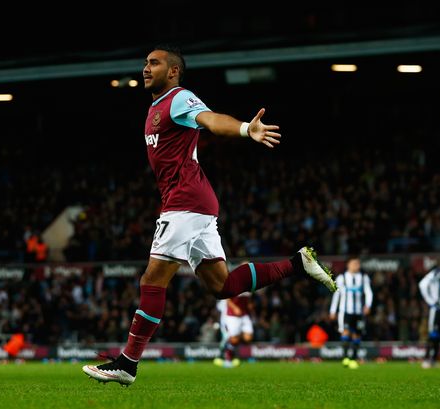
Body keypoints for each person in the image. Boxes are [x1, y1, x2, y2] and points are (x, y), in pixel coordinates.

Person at [82, 45, 336, 386]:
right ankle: (297, 263)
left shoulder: (178, 98)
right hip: (194, 203)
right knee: (223, 286)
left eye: (154, 63)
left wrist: (247, 129)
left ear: (172, 71)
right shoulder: (155, 107)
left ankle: (127, 363)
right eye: (145, 63)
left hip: (185, 201)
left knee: (152, 280)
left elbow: (211, 119)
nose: (146, 68)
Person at [329, 256, 372, 369]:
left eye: (357, 263)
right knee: (345, 332)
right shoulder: (342, 278)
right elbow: (336, 294)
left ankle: (353, 358)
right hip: (345, 311)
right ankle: (345, 357)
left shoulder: (364, 277)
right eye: (353, 263)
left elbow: (368, 292)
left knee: (357, 334)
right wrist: (333, 310)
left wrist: (368, 305)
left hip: (358, 312)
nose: (356, 266)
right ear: (348, 265)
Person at [418, 258, 440, 369]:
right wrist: (430, 300)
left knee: (439, 335)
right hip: (435, 309)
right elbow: (422, 284)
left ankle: (434, 360)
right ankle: (426, 360)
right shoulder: (434, 273)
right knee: (432, 334)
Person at [213, 293, 253, 368]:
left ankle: (230, 353)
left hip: (244, 315)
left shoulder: (248, 286)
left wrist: (249, 306)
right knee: (232, 339)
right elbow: (226, 302)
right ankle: (227, 358)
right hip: (231, 317)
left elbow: (248, 299)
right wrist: (235, 308)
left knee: (248, 338)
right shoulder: (233, 287)